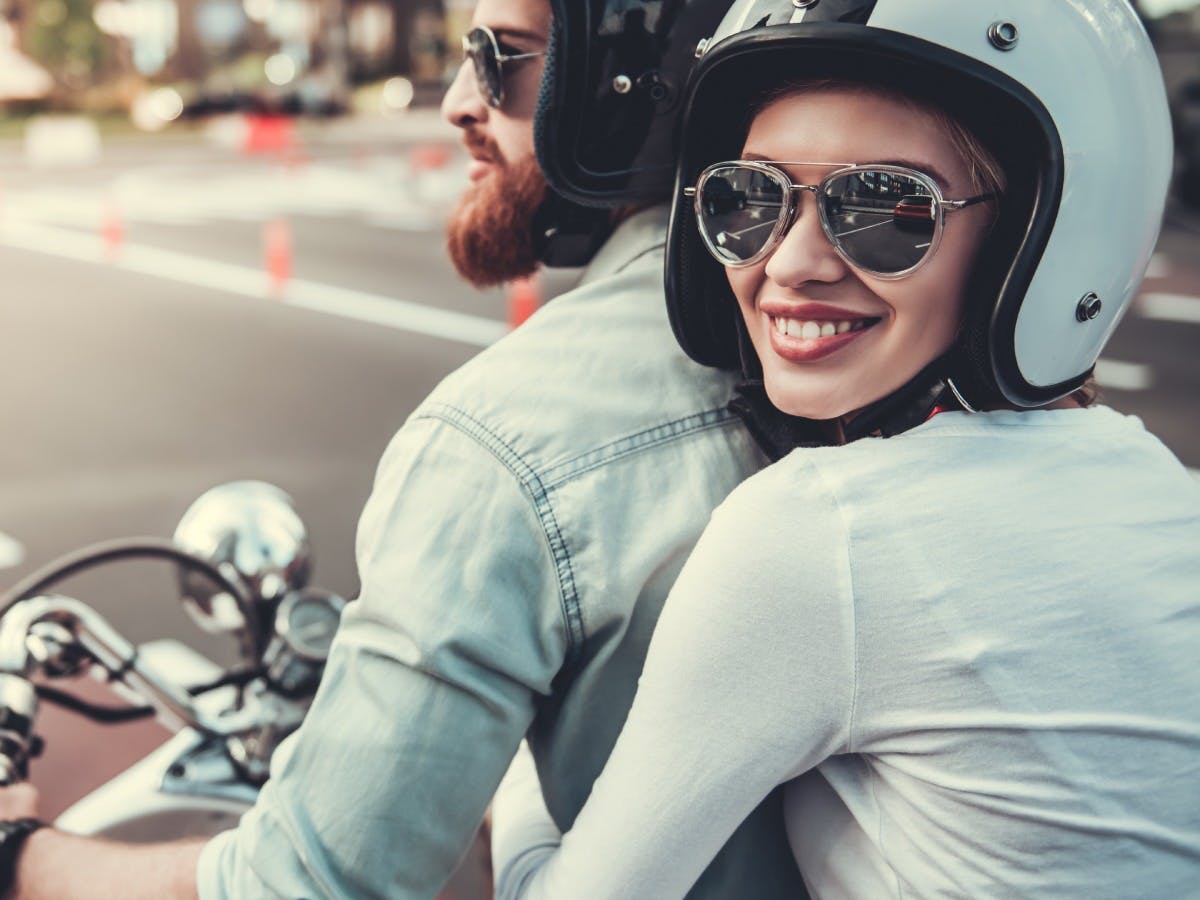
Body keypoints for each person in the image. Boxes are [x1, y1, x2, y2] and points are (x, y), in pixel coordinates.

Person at [0, 1, 812, 897]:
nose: (455, 103)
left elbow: (315, 880)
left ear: (633, 75)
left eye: (500, 59)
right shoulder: (874, 337)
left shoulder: (509, 438)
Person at [490, 1, 1200, 897]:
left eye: (888, 208)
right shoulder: (1151, 480)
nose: (790, 262)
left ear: (1032, 239)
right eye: (747, 199)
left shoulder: (821, 532)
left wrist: (520, 770)